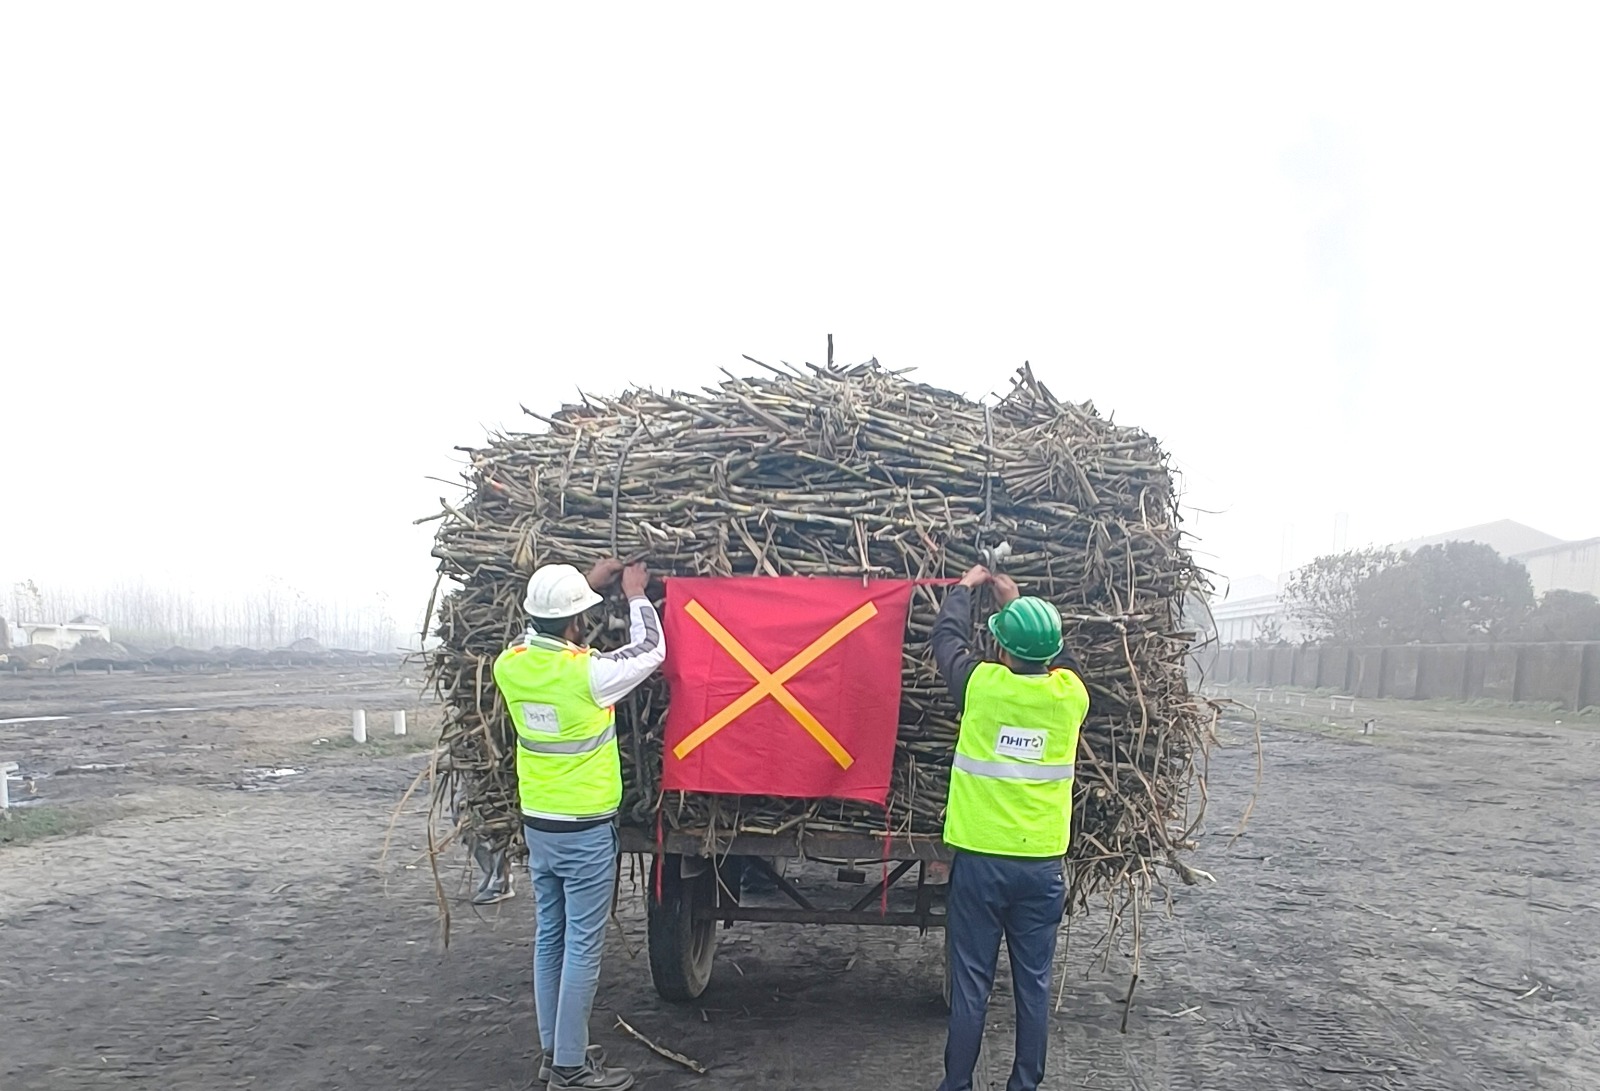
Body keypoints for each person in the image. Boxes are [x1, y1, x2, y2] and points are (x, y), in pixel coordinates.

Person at [492, 558, 665, 1091]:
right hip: (585, 830)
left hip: (539, 824)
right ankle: (569, 1068)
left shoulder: (510, 665)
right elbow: (650, 651)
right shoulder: (590, 674)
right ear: (574, 623)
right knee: (582, 947)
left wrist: (581, 588)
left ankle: (555, 1051)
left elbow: (539, 633)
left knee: (551, 936)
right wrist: (636, 595)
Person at [930, 564, 1089, 1091]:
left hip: (980, 864)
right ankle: (1024, 1084)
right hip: (1041, 868)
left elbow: (947, 638)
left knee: (972, 983)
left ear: (1000, 650)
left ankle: (957, 1086)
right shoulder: (1070, 698)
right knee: (1033, 985)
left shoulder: (981, 687)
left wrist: (965, 589)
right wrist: (1017, 602)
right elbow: (1059, 659)